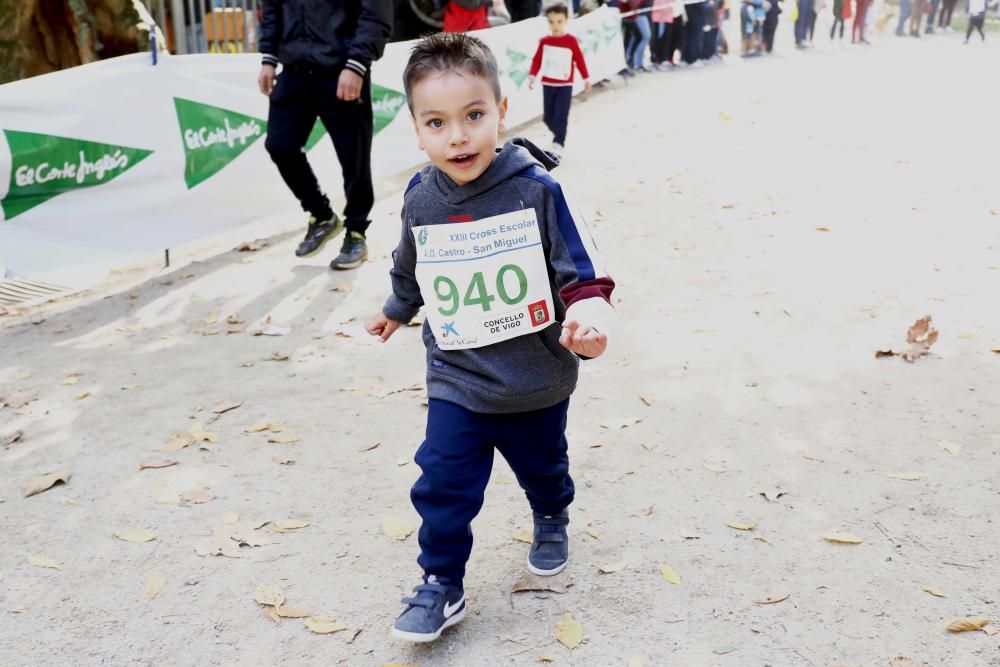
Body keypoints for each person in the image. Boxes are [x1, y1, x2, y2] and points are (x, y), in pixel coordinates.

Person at [366, 32, 615, 644]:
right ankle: (440, 582)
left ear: (501, 112)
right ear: (418, 131)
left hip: (535, 376)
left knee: (544, 466)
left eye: (474, 116)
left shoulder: (539, 190)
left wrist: (592, 318)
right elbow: (410, 260)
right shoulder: (421, 197)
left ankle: (552, 511)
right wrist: (398, 307)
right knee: (442, 480)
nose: (458, 136)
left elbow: (582, 271)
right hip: (458, 377)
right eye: (437, 122)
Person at [258, 0, 392, 270]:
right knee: (280, 146)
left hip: (342, 69)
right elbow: (272, 8)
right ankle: (321, 215)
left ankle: (356, 233)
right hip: (294, 71)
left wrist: (356, 64)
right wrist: (268, 58)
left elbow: (376, 13)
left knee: (353, 158)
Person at [528, 4, 592, 157]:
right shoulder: (544, 41)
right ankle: (559, 134)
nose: (555, 25)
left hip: (565, 85)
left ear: (566, 20)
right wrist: (532, 76)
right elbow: (537, 60)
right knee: (548, 117)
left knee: (561, 115)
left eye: (559, 21)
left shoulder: (571, 41)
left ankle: (559, 142)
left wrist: (586, 79)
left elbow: (579, 60)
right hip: (548, 84)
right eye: (551, 22)